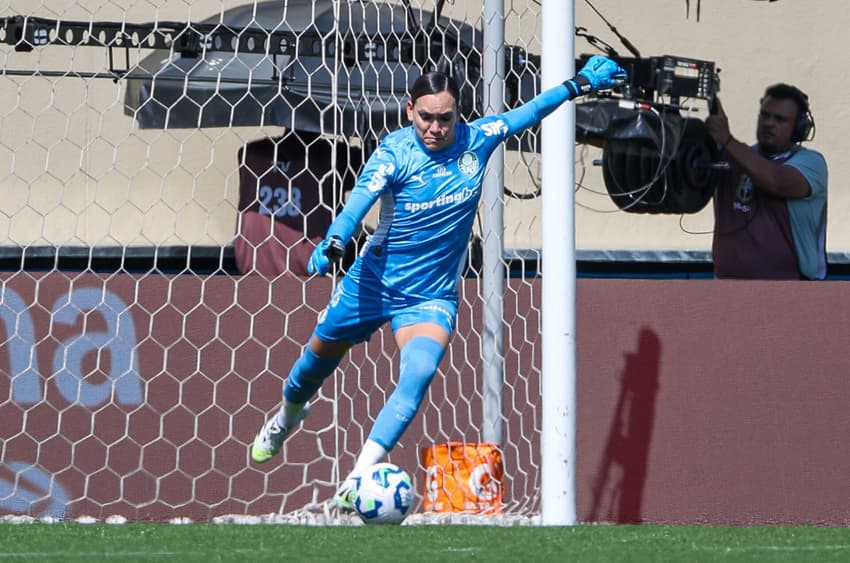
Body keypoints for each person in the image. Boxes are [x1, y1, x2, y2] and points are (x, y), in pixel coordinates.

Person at [250, 55, 628, 509]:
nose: (434, 127)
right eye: (426, 117)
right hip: (371, 284)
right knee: (313, 364)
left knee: (419, 373)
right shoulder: (394, 152)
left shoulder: (477, 141)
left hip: (430, 297)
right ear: (409, 110)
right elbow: (358, 203)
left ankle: (358, 477)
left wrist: (578, 84)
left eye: (444, 118)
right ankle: (288, 416)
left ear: (458, 115)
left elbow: (528, 112)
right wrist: (335, 240)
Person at [706, 84, 828, 279]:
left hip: (791, 291)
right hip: (727, 288)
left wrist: (727, 140)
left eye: (780, 119)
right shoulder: (731, 157)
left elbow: (777, 181)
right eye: (765, 115)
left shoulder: (812, 163)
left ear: (799, 128)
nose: (768, 123)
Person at [233, 130, 361, 277]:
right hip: (316, 275)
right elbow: (373, 168)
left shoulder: (251, 153)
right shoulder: (333, 155)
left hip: (253, 272)